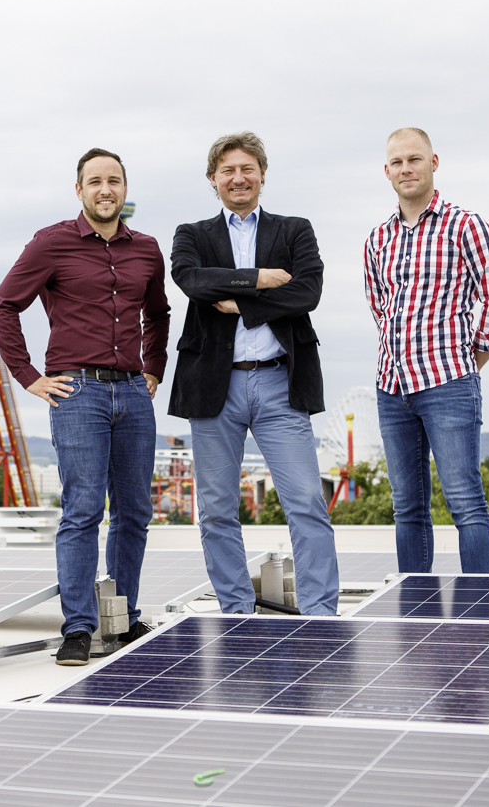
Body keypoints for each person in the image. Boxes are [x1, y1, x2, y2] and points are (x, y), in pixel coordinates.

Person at [0, 148, 170, 665]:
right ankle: (78, 628)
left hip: (134, 394)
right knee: (83, 510)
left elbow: (158, 313)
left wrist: (153, 368)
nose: (105, 189)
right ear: (80, 190)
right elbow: (3, 307)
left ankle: (123, 619)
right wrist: (28, 378)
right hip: (78, 394)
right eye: (95, 181)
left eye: (114, 181)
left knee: (135, 512)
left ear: (124, 189)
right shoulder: (51, 243)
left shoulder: (147, 249)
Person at [168, 131, 339, 616]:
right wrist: (259, 280)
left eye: (247, 169)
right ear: (213, 180)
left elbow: (307, 293)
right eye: (228, 171)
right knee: (218, 510)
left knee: (306, 502)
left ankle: (320, 613)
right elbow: (191, 281)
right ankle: (237, 612)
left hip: (280, 383)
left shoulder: (295, 230)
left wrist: (238, 302)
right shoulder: (192, 235)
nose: (238, 178)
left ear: (262, 174)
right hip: (212, 388)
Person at [363, 127, 489, 574]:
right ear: (386, 171)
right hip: (392, 389)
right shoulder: (377, 239)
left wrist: (469, 361)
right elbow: (381, 309)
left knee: (465, 502)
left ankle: (478, 613)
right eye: (397, 162)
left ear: (434, 162)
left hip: (448, 383)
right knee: (407, 507)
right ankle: (415, 613)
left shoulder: (465, 225)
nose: (406, 169)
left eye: (414, 159)